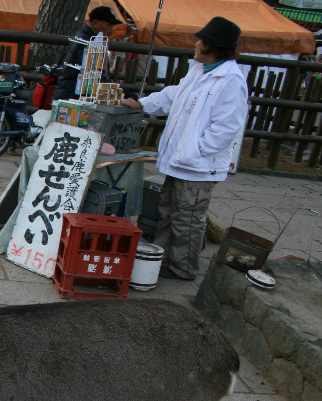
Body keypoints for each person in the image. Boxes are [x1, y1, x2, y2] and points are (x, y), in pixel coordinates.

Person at [122, 16, 248, 281]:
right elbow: (172, 95)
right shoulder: (199, 71)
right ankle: (162, 258)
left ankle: (183, 268)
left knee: (187, 219)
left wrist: (195, 151)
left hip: (197, 165)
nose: (196, 43)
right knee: (167, 212)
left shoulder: (231, 80)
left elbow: (226, 129)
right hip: (179, 160)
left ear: (211, 46)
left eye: (200, 40)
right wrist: (142, 103)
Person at [54, 6, 122, 101]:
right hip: (72, 95)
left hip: (71, 92)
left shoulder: (88, 38)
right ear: (95, 22)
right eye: (108, 25)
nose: (111, 29)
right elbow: (91, 70)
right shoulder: (87, 42)